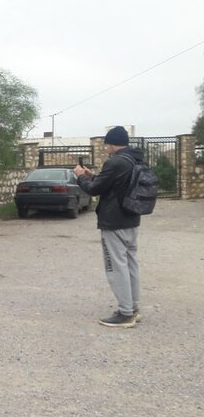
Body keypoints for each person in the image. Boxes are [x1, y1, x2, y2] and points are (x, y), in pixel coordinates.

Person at [74, 126, 144, 328]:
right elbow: (111, 185)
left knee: (115, 266)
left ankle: (125, 313)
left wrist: (80, 176)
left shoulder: (115, 162)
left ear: (112, 144)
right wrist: (92, 175)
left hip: (114, 222)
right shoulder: (134, 159)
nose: (106, 148)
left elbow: (94, 190)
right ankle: (133, 307)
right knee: (130, 264)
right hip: (131, 218)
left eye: (107, 145)